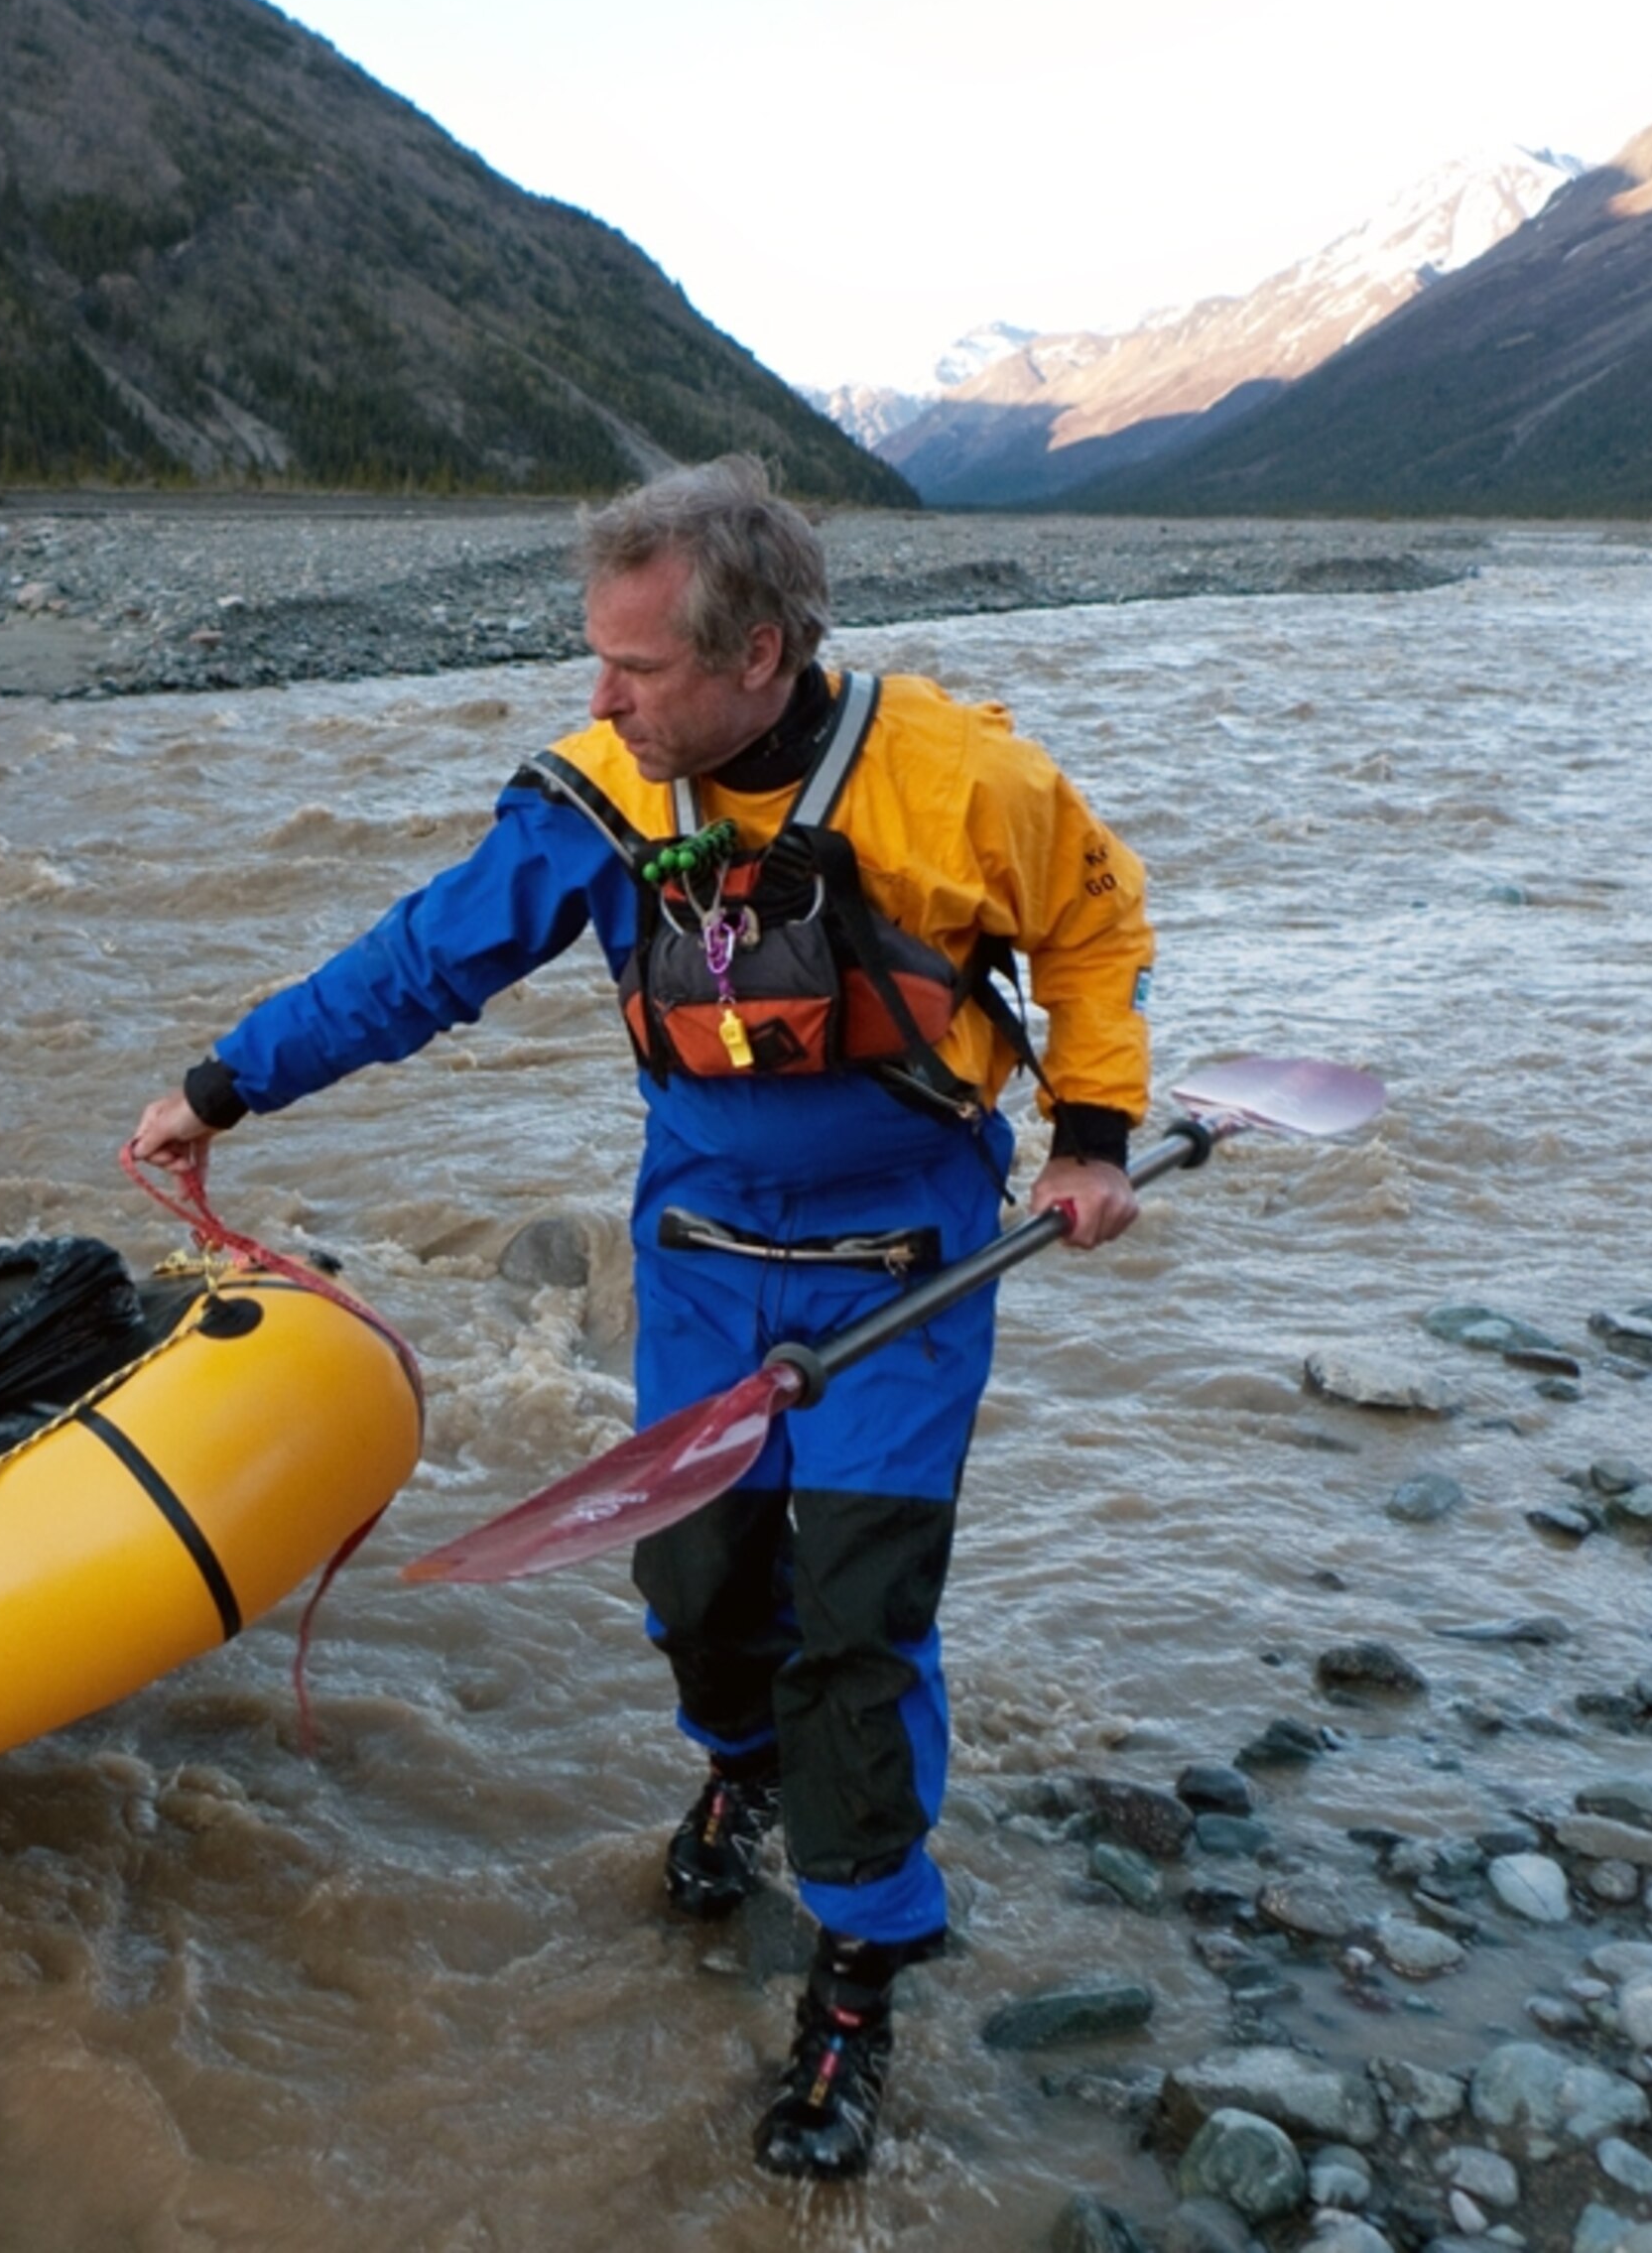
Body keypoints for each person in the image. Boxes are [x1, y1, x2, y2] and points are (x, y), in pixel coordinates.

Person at [129, 454, 1153, 2181]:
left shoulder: (967, 782)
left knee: (859, 1612)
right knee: (694, 1585)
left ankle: (861, 1954)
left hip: (906, 1257)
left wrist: (1096, 1136)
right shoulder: (602, 800)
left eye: (637, 668)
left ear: (761, 653)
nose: (600, 699)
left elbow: (1091, 923)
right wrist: (225, 1084)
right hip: (697, 1246)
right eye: (596, 663)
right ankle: (739, 1768)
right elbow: (419, 963)